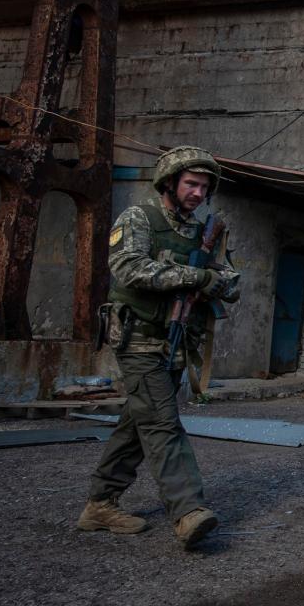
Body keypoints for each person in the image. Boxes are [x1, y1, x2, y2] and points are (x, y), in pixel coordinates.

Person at [77, 146, 240, 549]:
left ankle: (100, 503)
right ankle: (188, 511)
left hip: (176, 342)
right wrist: (196, 276)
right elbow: (129, 268)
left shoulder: (203, 232)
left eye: (204, 187)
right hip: (138, 340)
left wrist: (215, 282)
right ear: (169, 182)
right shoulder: (139, 219)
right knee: (163, 423)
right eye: (191, 184)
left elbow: (231, 278)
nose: (198, 193)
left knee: (138, 422)